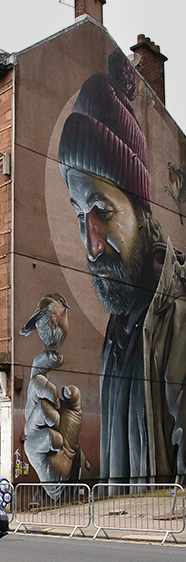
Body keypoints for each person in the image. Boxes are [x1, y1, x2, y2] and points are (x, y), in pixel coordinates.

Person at [25, 48, 186, 490]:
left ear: (141, 209)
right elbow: (127, 507)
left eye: (101, 209)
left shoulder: (178, 316)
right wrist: (67, 472)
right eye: (80, 216)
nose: (92, 245)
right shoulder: (120, 334)